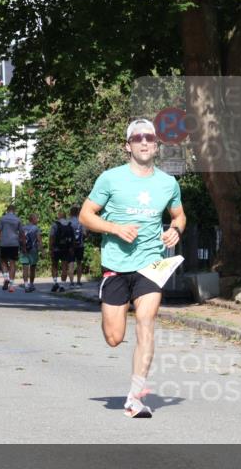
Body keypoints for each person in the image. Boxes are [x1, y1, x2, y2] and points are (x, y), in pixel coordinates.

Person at [78, 118, 186, 418]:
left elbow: (179, 216)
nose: (144, 142)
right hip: (116, 264)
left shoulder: (168, 183)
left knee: (146, 321)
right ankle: (111, 314)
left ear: (156, 144)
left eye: (149, 137)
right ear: (128, 146)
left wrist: (176, 230)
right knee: (114, 337)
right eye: (137, 138)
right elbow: (86, 216)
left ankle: (136, 396)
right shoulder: (110, 179)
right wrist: (114, 229)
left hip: (151, 262)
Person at [0, 204, 22, 292]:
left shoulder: (2, 219)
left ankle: (6, 278)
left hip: (4, 243)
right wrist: (23, 245)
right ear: (14, 211)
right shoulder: (18, 220)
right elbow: (22, 234)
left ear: (7, 210)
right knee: (12, 263)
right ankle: (12, 286)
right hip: (14, 244)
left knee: (3, 261)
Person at [49, 209, 74, 292]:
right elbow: (72, 238)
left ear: (59, 216)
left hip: (56, 248)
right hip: (66, 248)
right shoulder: (69, 225)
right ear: (65, 216)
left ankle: (55, 283)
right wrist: (71, 248)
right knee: (64, 267)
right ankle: (62, 285)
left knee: (54, 265)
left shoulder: (55, 225)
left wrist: (51, 249)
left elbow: (51, 237)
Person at [18, 213, 43, 293]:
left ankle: (26, 285)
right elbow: (39, 240)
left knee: (25, 268)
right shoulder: (36, 228)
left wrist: (22, 248)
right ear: (32, 219)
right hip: (33, 250)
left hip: (24, 250)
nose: (38, 220)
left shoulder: (23, 228)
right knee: (32, 268)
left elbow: (20, 239)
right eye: (36, 218)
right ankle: (31, 284)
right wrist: (42, 250)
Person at [69, 204, 86, 287]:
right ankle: (78, 282)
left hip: (70, 246)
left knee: (71, 263)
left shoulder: (68, 222)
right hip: (80, 245)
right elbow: (85, 233)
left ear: (71, 213)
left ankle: (71, 283)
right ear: (78, 212)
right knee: (79, 263)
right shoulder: (81, 222)